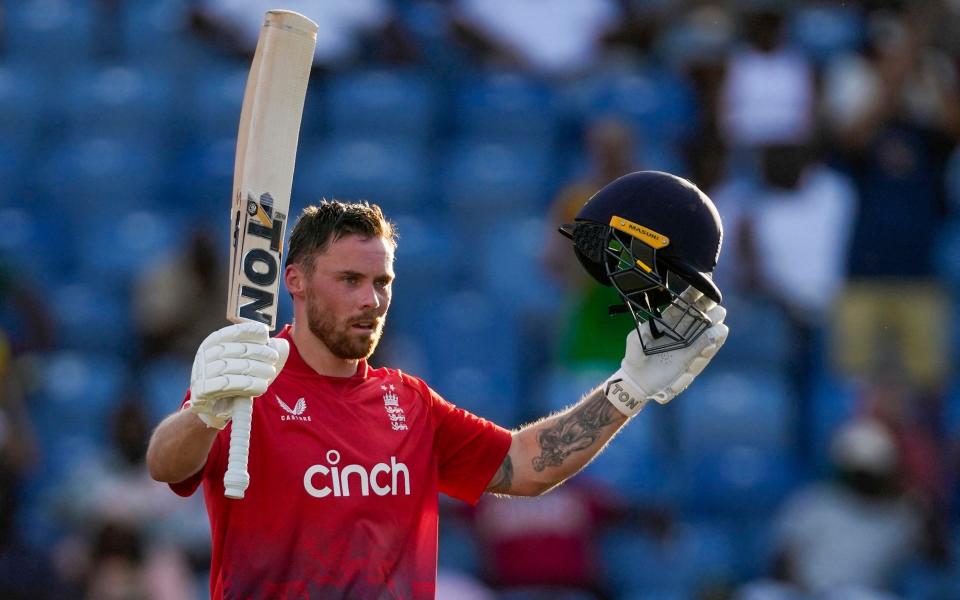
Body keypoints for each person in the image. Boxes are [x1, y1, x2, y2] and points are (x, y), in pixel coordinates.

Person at [147, 172, 729, 599]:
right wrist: (207, 412)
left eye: (382, 281)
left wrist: (628, 388)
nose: (370, 300)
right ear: (294, 282)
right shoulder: (250, 383)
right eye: (349, 280)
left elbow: (524, 466)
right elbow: (166, 464)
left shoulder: (409, 402)